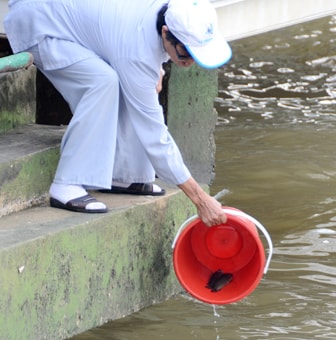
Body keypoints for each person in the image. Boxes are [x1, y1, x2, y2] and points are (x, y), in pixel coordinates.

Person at [4, 0, 230, 226]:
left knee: (131, 83)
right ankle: (67, 183)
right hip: (39, 26)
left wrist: (158, 66)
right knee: (102, 81)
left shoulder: (167, 12)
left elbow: (135, 43)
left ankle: (123, 174)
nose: (189, 62)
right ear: (165, 32)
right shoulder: (136, 54)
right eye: (185, 53)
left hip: (69, 19)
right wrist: (200, 199)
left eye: (196, 56)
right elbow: (156, 137)